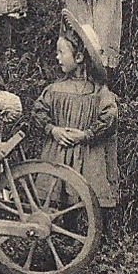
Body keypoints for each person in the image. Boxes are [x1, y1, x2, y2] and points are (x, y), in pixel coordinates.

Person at [31, 11, 119, 217]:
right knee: (60, 190)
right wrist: (52, 129)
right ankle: (66, 227)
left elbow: (109, 118)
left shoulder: (99, 92)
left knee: (88, 194)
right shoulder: (54, 89)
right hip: (59, 151)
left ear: (79, 57)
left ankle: (92, 231)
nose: (57, 57)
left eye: (61, 52)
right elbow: (38, 111)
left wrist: (86, 135)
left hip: (87, 153)